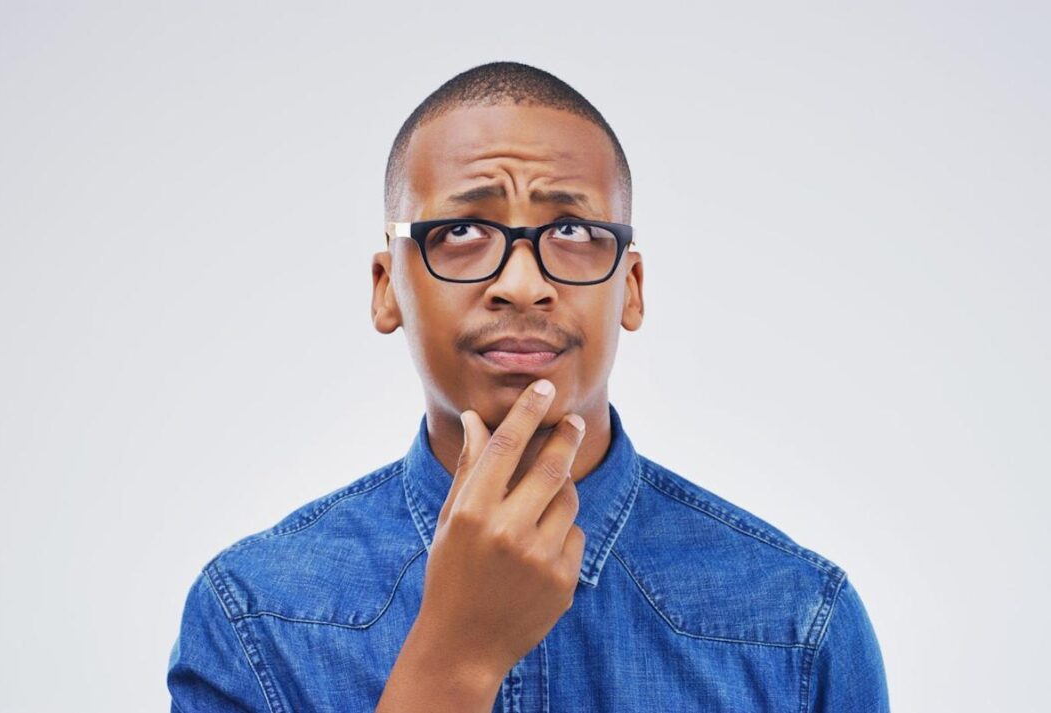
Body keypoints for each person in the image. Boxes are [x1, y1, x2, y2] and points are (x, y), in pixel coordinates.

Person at [167, 61, 891, 713]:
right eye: (461, 231)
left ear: (631, 287)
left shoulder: (798, 623)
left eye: (572, 230)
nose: (522, 283)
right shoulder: (253, 615)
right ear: (387, 287)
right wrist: (456, 653)